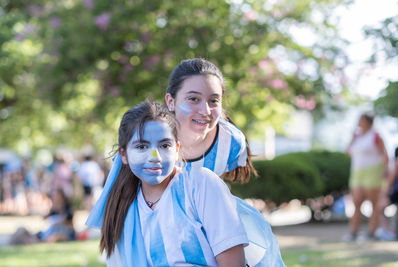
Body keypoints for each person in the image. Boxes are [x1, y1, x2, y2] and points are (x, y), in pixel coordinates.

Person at [87, 58, 284, 266]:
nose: (205, 111)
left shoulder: (229, 143)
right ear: (170, 101)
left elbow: (217, 186)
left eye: (213, 101)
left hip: (208, 211)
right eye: (193, 99)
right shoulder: (151, 130)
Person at [92, 101, 248, 266]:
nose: (155, 156)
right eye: (142, 146)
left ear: (177, 148)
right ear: (124, 155)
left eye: (165, 145)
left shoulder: (200, 184)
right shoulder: (122, 208)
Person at [344, 112, 389, 241]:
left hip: (372, 172)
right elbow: (348, 152)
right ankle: (354, 232)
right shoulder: (356, 137)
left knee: (374, 204)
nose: (359, 122)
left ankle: (372, 232)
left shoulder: (376, 136)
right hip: (357, 173)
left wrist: (385, 172)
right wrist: (352, 138)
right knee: (356, 202)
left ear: (368, 122)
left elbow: (384, 155)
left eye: (361, 120)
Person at [9, 188, 76, 245]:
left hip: (55, 235)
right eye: (54, 198)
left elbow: (70, 227)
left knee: (56, 237)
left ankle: (31, 242)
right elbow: (43, 219)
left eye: (57, 198)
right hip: (44, 234)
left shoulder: (68, 211)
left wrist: (60, 221)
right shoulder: (53, 211)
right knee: (21, 230)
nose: (55, 200)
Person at [376, 146, 398, 241]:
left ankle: (389, 232)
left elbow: (391, 179)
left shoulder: (397, 163)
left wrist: (384, 194)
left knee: (379, 207)